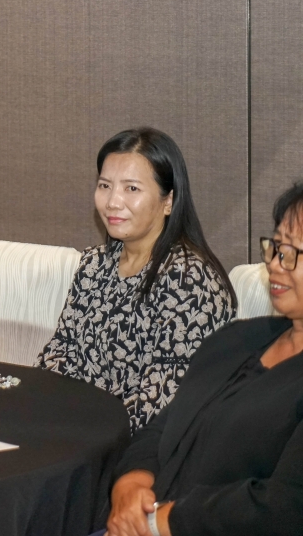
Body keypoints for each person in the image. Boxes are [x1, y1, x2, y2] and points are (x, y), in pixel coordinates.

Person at [102, 181, 303, 536]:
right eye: (275, 246)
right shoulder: (238, 338)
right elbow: (164, 427)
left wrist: (160, 522)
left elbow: (284, 507)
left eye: (293, 253)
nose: (275, 263)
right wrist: (131, 485)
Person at [38, 128, 236, 432]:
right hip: (75, 432)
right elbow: (58, 353)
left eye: (131, 188)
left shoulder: (190, 282)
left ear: (169, 201)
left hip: (140, 446)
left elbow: (163, 399)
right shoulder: (94, 264)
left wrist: (81, 433)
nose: (112, 202)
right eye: (105, 185)